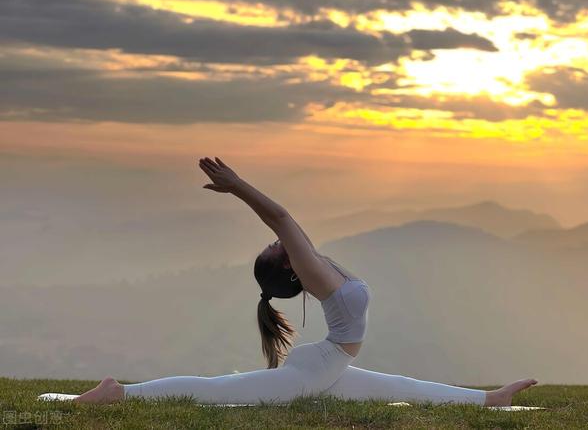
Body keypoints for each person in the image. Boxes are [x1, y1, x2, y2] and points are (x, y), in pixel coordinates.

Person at [74, 156, 537, 405]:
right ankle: (122, 394)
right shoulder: (314, 273)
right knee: (220, 392)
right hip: (320, 364)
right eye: (274, 250)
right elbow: (280, 217)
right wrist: (236, 186)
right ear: (289, 268)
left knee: (398, 387)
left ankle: (488, 399)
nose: (275, 243)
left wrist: (243, 193)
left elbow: (283, 227)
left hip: (324, 362)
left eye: (274, 245)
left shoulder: (313, 262)